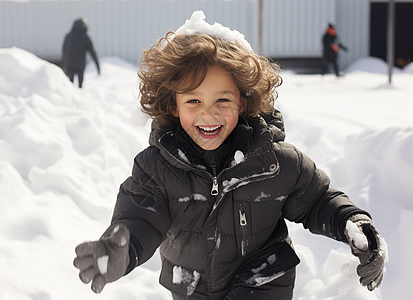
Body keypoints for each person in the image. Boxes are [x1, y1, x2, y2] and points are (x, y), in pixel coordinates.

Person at [73, 11, 387, 300]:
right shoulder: (156, 168)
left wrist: (353, 222)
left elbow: (317, 199)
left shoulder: (275, 161)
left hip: (263, 284)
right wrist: (123, 248)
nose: (208, 114)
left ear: (244, 102)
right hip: (193, 288)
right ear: (173, 105)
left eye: (223, 100)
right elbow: (142, 215)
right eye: (193, 101)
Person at [61, 18, 100, 88]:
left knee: (70, 83)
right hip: (80, 65)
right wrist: (97, 66)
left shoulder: (68, 36)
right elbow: (92, 52)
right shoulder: (86, 37)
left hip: (70, 64)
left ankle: (71, 96)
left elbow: (64, 51)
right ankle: (79, 94)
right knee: (80, 84)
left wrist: (64, 64)